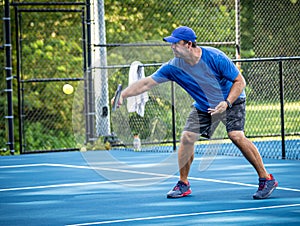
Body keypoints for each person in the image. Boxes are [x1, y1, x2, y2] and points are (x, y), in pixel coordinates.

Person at [112, 26, 278, 199]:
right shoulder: (173, 67)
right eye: (171, 44)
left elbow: (239, 81)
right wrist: (123, 94)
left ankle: (266, 179)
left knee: (235, 135)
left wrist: (226, 102)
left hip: (231, 100)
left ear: (189, 44)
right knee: (187, 137)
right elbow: (146, 83)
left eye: (176, 43)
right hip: (203, 106)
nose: (172, 47)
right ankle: (183, 184)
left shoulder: (215, 57)